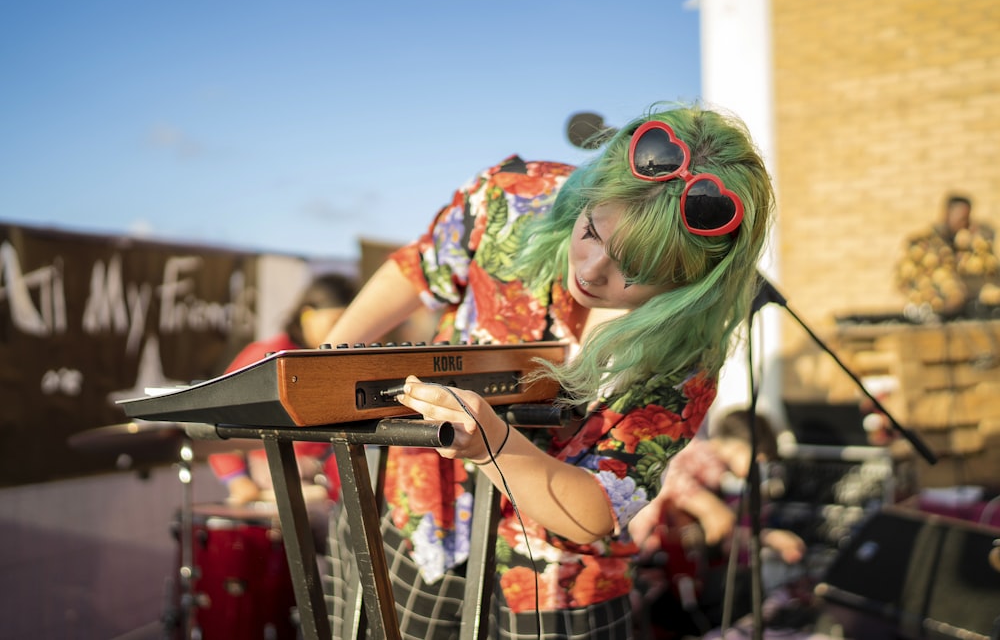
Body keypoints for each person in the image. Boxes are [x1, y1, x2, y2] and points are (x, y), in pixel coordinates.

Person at [322, 102, 775, 639]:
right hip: (420, 519)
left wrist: (492, 442)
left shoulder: (685, 356)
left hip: (557, 584)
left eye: (633, 270)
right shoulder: (513, 199)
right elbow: (419, 267)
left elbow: (596, 508)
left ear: (686, 284)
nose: (591, 269)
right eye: (591, 230)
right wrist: (327, 362)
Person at [628, 409, 806, 638]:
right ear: (739, 447)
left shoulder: (716, 475)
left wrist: (764, 535)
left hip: (665, 573)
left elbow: (711, 533)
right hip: (648, 565)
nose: (758, 468)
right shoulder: (701, 455)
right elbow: (666, 475)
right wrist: (708, 506)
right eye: (758, 458)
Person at [208, 272, 357, 505]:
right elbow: (217, 413)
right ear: (307, 314)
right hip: (272, 487)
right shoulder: (269, 356)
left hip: (326, 484)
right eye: (336, 321)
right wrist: (236, 479)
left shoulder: (340, 359)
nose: (345, 331)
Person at [894, 192, 1000, 320]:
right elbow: (903, 281)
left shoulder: (965, 245)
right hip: (930, 314)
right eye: (962, 218)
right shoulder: (922, 243)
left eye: (967, 219)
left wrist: (979, 241)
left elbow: (989, 271)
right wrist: (929, 297)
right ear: (948, 214)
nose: (965, 223)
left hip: (963, 314)